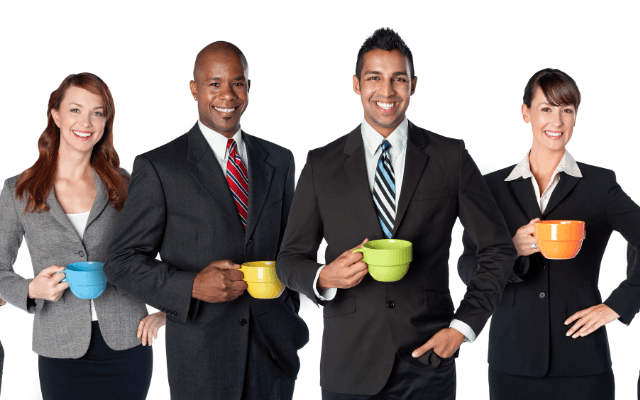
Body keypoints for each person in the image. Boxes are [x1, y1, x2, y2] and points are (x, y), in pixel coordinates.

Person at [276, 28, 517, 400]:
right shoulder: (321, 164)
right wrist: (324, 276)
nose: (386, 92)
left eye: (398, 79)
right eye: (374, 78)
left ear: (413, 84)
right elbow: (289, 260)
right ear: (356, 84)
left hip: (428, 361)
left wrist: (463, 327)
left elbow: (498, 248)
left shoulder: (449, 158)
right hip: (349, 365)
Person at [104, 41, 309, 400]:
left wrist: (288, 310)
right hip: (202, 362)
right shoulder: (160, 167)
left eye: (237, 82)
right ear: (194, 89)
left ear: (248, 87)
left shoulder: (280, 160)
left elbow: (291, 248)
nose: (227, 95)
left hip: (272, 355)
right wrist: (192, 287)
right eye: (214, 84)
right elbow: (120, 263)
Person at [458, 68, 640, 400]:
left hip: (583, 361)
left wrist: (619, 304)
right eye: (546, 108)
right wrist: (509, 251)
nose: (556, 121)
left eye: (566, 110)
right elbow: (468, 265)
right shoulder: (491, 189)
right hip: (512, 360)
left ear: (575, 118)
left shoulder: (600, 185)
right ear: (525, 112)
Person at [0, 73, 164, 400]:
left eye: (97, 112)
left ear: (106, 122)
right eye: (75, 110)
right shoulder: (18, 190)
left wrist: (167, 311)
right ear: (56, 115)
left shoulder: (124, 184)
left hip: (128, 342)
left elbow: (163, 252)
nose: (86, 121)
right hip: (59, 347)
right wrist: (30, 289)